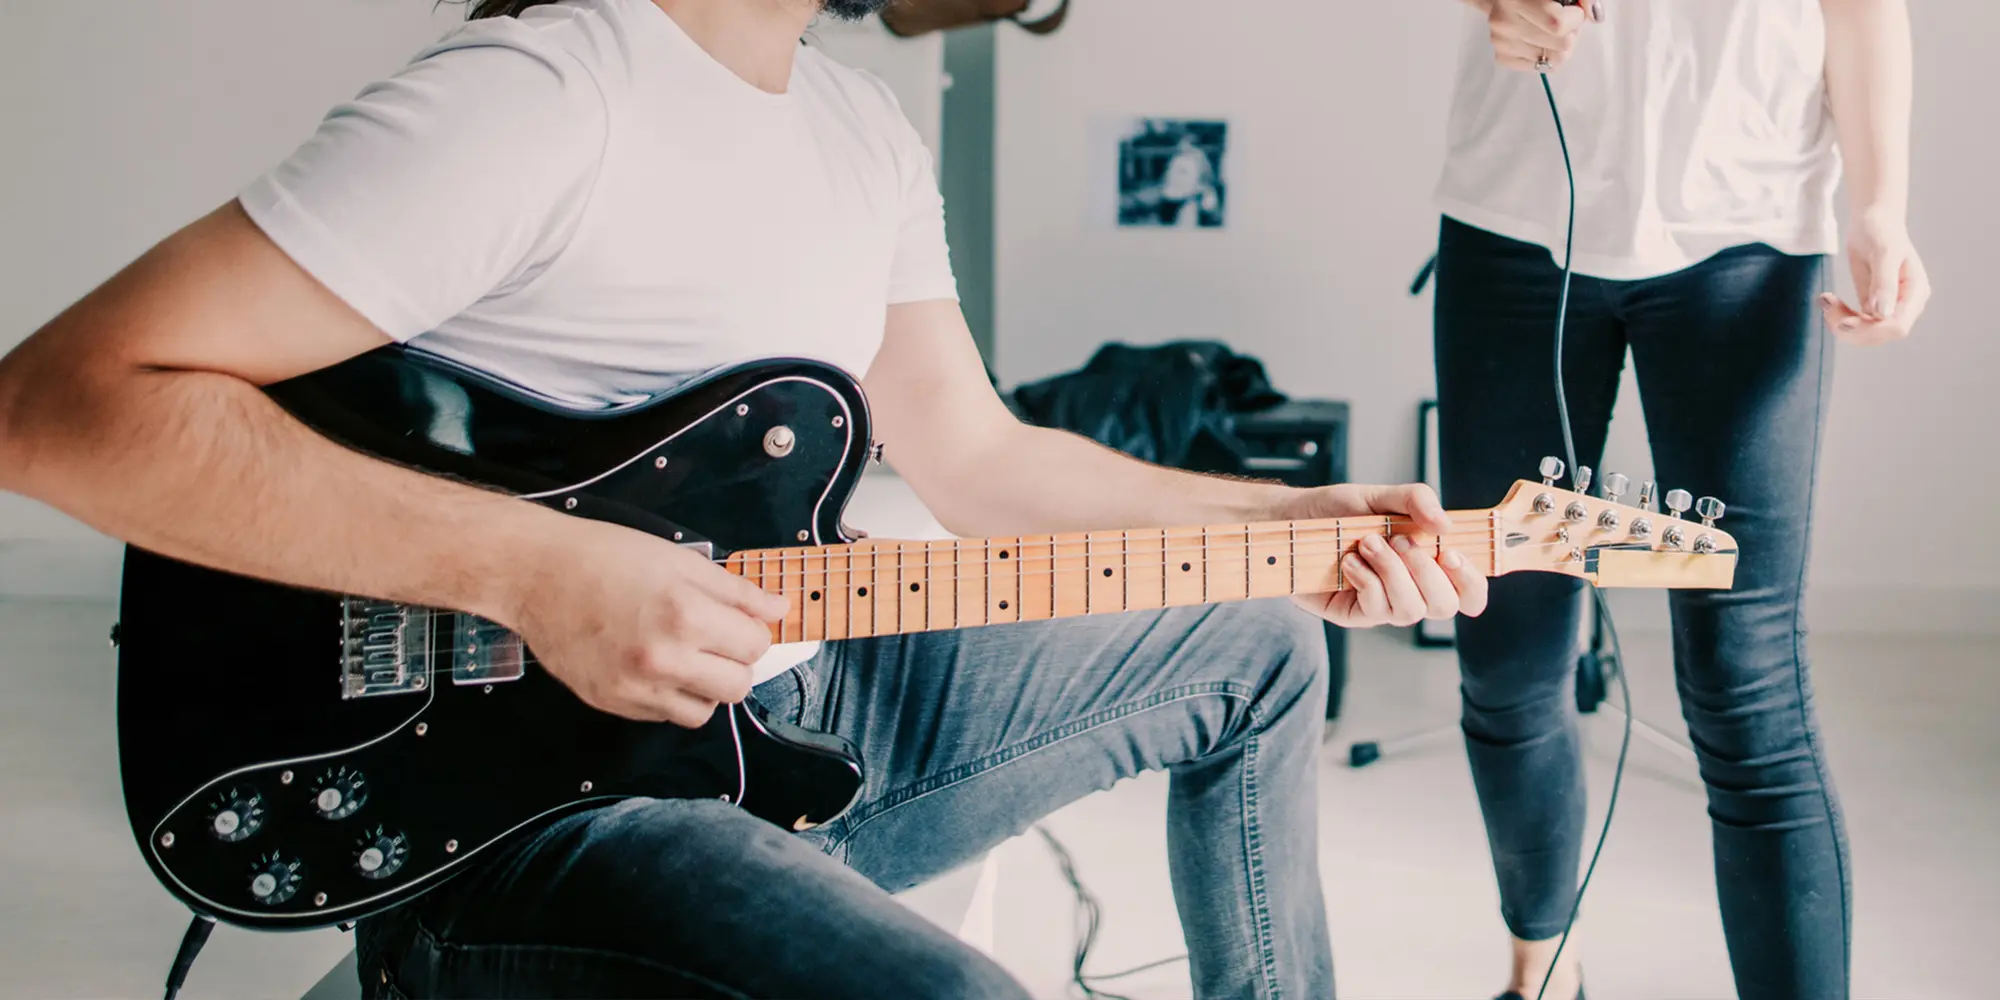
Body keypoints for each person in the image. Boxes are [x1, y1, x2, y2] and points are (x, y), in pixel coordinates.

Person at [0, 1, 1489, 997]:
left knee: (1261, 645)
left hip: (792, 727)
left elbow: (984, 461)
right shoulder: (545, 93)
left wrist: (1292, 533)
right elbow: (56, 407)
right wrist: (532, 573)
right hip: (537, 809)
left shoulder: (858, 130)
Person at [1430, 1, 1927, 998]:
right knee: (1506, 653)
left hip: (1746, 233)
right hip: (1512, 221)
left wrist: (1878, 209)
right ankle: (1540, 969)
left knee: (1745, 683)